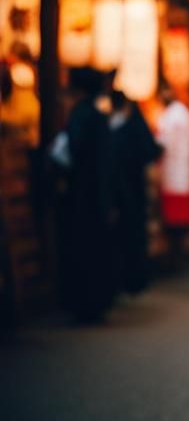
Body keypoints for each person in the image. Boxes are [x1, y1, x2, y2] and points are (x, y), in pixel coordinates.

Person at [58, 68, 116, 322]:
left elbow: (73, 150)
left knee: (83, 249)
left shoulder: (80, 115)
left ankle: (84, 304)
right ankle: (97, 302)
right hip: (98, 193)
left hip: (82, 193)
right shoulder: (98, 116)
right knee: (97, 249)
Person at [109, 90, 161, 295]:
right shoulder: (129, 125)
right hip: (131, 189)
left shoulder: (123, 127)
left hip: (128, 190)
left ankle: (132, 277)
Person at [155, 85, 189, 262]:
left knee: (173, 219)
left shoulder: (168, 117)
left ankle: (174, 255)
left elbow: (162, 144)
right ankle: (179, 253)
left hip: (172, 173)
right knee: (180, 218)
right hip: (183, 172)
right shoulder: (186, 115)